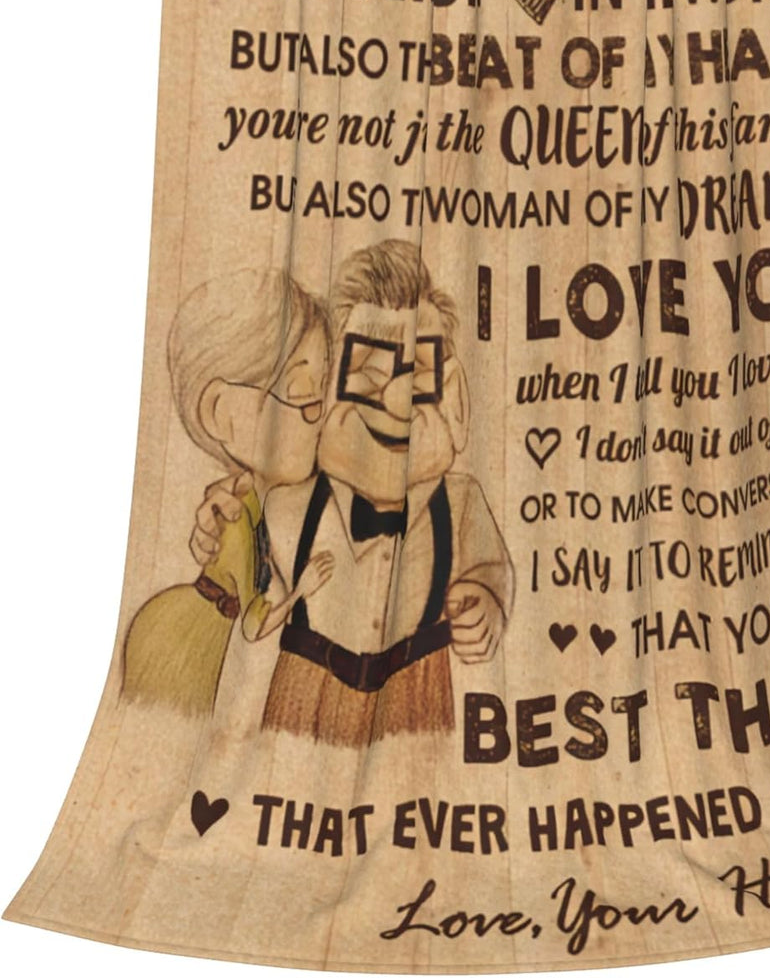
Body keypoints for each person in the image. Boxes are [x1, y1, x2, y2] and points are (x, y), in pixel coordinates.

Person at [190, 240, 514, 745]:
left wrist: (486, 602)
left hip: (418, 689)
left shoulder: (463, 502)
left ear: (454, 396)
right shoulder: (286, 502)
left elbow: (492, 570)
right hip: (305, 688)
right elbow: (243, 560)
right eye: (365, 372)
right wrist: (220, 529)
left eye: (418, 374)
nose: (395, 402)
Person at [121, 270, 335, 718]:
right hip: (196, 644)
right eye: (303, 395)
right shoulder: (236, 517)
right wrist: (302, 591)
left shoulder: (248, 501)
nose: (320, 417)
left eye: (324, 393)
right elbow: (257, 622)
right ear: (222, 414)